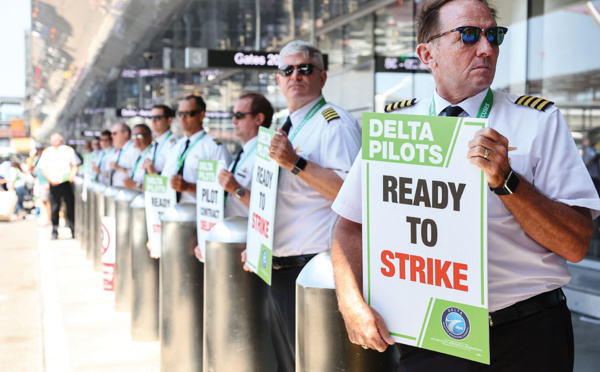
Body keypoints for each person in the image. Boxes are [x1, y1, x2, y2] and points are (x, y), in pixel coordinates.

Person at [330, 0, 600, 370]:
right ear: (428, 54)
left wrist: (508, 182)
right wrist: (350, 303)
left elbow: (576, 243)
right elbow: (350, 224)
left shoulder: (536, 121)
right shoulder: (397, 127)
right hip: (429, 336)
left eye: (494, 35)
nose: (486, 48)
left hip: (525, 334)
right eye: (469, 36)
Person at [265, 40, 362, 369]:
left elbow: (352, 197)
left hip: (314, 269)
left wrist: (297, 164)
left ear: (322, 77)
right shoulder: (285, 125)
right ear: (278, 80)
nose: (296, 75)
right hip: (278, 267)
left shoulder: (334, 123)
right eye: (287, 70)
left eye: (305, 68)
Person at [193, 92, 274, 261]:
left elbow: (268, 208)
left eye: (239, 115)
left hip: (247, 243)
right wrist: (206, 238)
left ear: (259, 119)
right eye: (233, 115)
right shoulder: (245, 152)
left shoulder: (267, 155)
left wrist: (236, 189)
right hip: (230, 239)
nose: (233, 121)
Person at [161, 94, 231, 203]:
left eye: (188, 114)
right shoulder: (175, 146)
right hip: (172, 212)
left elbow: (224, 190)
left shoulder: (214, 147)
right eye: (180, 114)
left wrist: (189, 187)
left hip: (199, 214)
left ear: (202, 115)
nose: (183, 118)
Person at [37, 133, 81, 239]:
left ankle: (73, 229)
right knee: (54, 207)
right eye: (55, 139)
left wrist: (72, 175)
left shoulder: (68, 150)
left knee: (70, 207)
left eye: (59, 139)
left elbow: (74, 166)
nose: (57, 141)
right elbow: (44, 169)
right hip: (54, 183)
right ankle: (55, 230)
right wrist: (50, 180)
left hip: (66, 182)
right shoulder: (47, 152)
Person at [141, 104, 179, 175]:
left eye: (157, 117)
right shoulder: (156, 142)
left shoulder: (173, 142)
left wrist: (154, 172)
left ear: (169, 120)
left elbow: (173, 174)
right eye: (151, 117)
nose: (153, 121)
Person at [123, 124, 154, 190]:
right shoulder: (138, 153)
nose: (136, 140)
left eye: (139, 136)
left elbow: (157, 185)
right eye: (134, 137)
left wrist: (136, 185)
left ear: (150, 136)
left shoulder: (153, 154)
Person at [107, 123, 138, 187]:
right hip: (117, 191)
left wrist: (120, 168)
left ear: (126, 134)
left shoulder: (135, 149)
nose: (112, 136)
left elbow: (138, 174)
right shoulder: (119, 151)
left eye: (115, 133)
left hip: (129, 193)